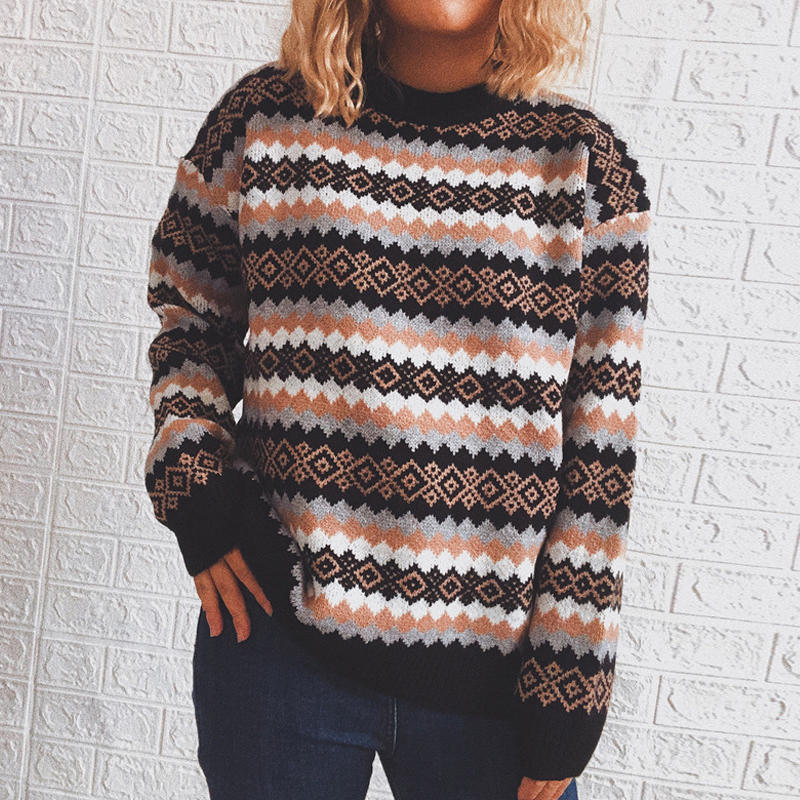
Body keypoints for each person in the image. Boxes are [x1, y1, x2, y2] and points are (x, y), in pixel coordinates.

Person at [143, 0, 651, 798]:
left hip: (496, 680)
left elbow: (601, 446)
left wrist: (572, 674)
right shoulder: (262, 122)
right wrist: (195, 483)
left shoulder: (585, 168)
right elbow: (190, 315)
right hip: (278, 639)